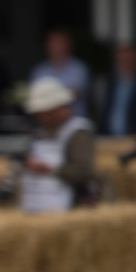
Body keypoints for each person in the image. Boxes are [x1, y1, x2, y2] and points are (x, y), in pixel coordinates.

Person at [19, 77, 96, 214]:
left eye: (41, 111)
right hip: (37, 208)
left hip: (70, 209)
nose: (38, 116)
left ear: (54, 109)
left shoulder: (78, 133)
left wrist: (48, 170)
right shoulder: (41, 132)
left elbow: (83, 172)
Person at [30, 28, 90, 118]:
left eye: (60, 42)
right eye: (53, 42)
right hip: (46, 124)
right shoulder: (39, 70)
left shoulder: (79, 68)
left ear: (68, 44)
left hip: (74, 123)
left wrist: (45, 98)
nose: (56, 46)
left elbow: (74, 94)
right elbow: (33, 97)